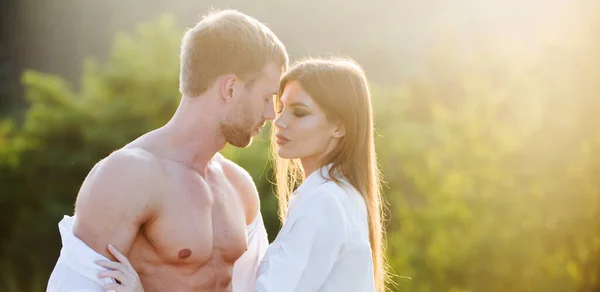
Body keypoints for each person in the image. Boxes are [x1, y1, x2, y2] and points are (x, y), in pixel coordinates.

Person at [46, 9, 288, 292]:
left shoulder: (239, 187)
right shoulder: (125, 177)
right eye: (266, 97)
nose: (272, 113)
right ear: (231, 88)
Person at [96, 57, 389, 292]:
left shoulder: (324, 202)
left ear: (339, 126)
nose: (279, 121)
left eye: (299, 113)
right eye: (281, 107)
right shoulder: (345, 197)